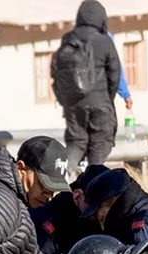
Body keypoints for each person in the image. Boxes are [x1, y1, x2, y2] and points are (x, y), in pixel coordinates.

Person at [52, 1, 120, 176]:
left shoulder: (68, 39)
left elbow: (56, 70)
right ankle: (93, 186)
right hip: (100, 104)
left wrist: (64, 100)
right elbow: (115, 74)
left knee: (76, 142)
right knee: (99, 146)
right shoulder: (104, 41)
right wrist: (108, 98)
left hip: (73, 104)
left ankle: (65, 179)